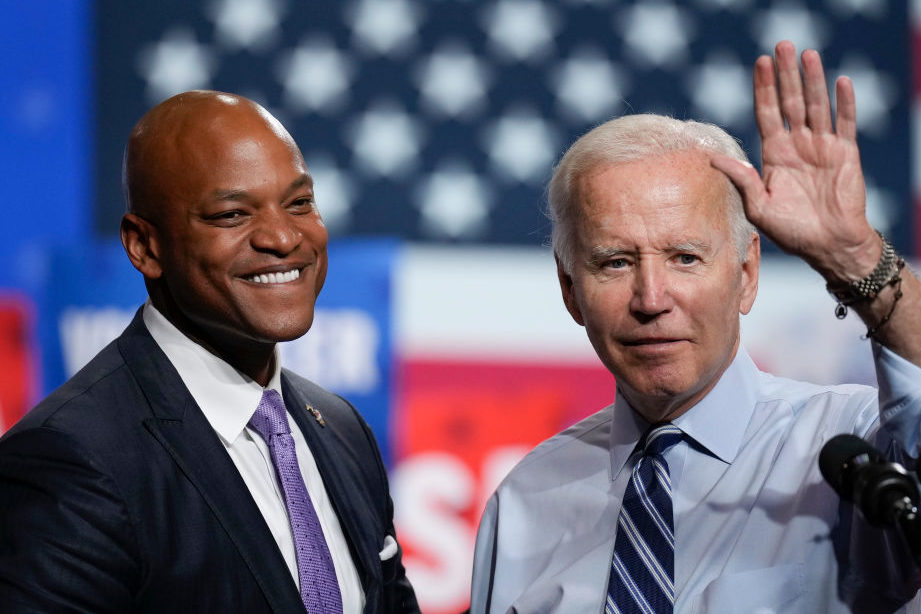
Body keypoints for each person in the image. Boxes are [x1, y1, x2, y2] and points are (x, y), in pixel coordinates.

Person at [470, 41, 921, 613]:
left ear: (747, 273)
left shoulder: (849, 453)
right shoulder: (523, 501)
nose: (651, 299)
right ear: (570, 290)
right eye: (615, 262)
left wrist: (858, 261)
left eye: (685, 257)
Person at [0, 91, 419, 613]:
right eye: (232, 214)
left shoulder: (342, 428)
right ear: (144, 246)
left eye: (299, 203)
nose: (283, 237)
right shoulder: (70, 457)